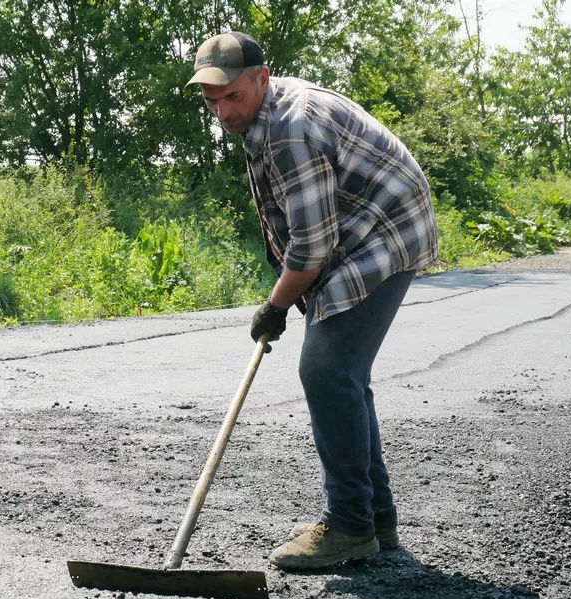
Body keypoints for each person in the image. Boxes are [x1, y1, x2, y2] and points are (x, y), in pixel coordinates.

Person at [186, 32, 439, 570]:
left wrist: (275, 306)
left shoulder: (290, 130)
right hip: (359, 227)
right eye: (213, 101)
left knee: (326, 369)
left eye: (232, 96)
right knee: (342, 373)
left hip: (385, 229)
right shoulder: (265, 115)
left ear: (262, 78)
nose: (223, 112)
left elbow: (311, 248)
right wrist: (287, 296)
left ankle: (349, 525)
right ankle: (374, 519)